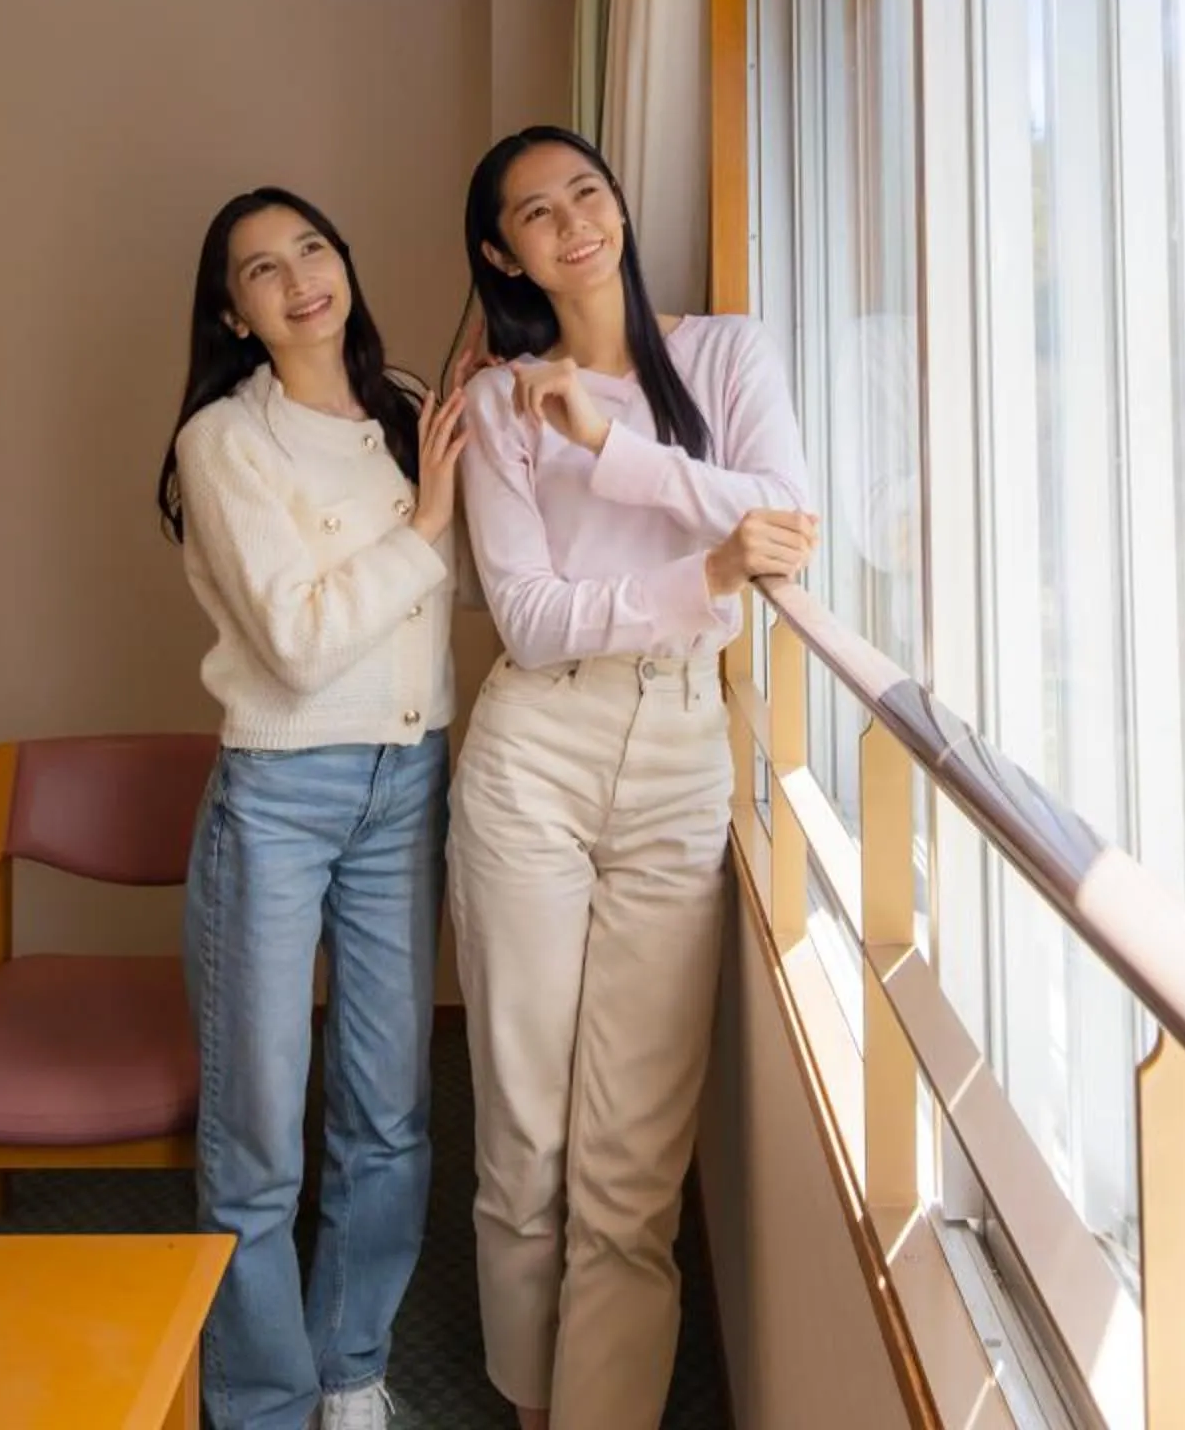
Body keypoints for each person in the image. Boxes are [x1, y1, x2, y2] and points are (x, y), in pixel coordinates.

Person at [446, 127, 817, 1428]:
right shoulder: (497, 403)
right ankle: (530, 1399)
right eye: (535, 214)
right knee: (526, 1132)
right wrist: (702, 570)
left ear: (617, 206)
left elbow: (785, 514)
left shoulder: (726, 352)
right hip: (533, 753)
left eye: (585, 194)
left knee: (633, 1160)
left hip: (676, 756)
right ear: (505, 252)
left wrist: (610, 444)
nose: (572, 223)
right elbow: (534, 619)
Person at [158, 187, 471, 1430]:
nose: (297, 279)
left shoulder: (403, 408)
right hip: (283, 790)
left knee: (390, 1109)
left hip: (411, 779)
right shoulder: (225, 440)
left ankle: (350, 1366)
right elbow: (297, 641)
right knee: (257, 1129)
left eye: (313, 248)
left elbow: (464, 593)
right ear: (233, 313)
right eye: (259, 269)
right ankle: (264, 1400)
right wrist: (431, 521)